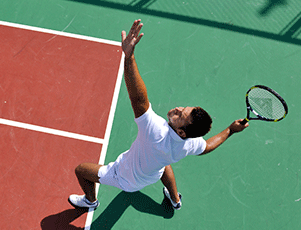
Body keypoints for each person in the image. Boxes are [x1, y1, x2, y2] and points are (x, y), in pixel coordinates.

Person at [68, 19, 249, 210]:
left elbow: (138, 99)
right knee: (164, 166)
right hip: (153, 171)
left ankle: (90, 200)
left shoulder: (155, 131)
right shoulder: (189, 143)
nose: (177, 109)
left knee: (81, 170)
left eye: (181, 115)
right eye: (183, 108)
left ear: (182, 132)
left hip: (124, 178)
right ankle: (175, 200)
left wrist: (129, 57)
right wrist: (230, 130)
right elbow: (207, 146)